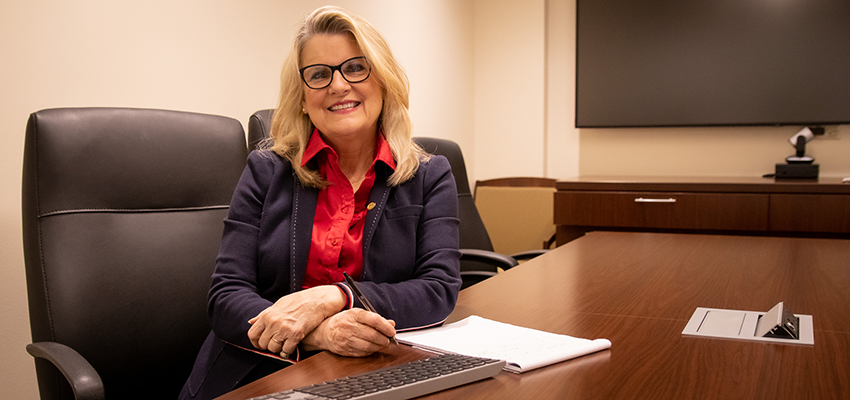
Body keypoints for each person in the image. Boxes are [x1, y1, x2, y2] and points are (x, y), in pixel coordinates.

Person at [179, 6, 461, 399]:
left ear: (383, 79)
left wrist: (336, 295)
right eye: (318, 74)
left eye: (355, 67)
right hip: (260, 372)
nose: (338, 85)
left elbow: (438, 289)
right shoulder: (266, 170)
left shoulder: (430, 175)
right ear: (302, 96)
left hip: (378, 372)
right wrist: (319, 333)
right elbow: (226, 297)